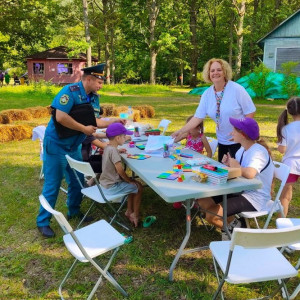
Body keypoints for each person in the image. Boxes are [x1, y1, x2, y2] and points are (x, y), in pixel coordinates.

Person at [37, 63, 124, 238]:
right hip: (56, 144)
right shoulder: (70, 91)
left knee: (77, 182)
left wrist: (114, 121)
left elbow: (95, 120)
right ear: (89, 79)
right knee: (53, 184)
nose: (101, 85)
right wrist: (83, 129)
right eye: (99, 81)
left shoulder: (94, 97)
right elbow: (60, 117)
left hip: (74, 145)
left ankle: (74, 212)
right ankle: (43, 222)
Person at [197, 118, 274, 239]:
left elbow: (249, 173)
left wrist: (236, 166)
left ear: (243, 134)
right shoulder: (242, 149)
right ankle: (236, 225)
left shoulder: (258, 151)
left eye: (234, 130)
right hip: (239, 190)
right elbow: (238, 171)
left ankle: (239, 234)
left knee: (211, 216)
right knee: (202, 200)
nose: (231, 133)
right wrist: (228, 164)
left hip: (255, 197)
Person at [172, 58, 256, 162]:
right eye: (212, 71)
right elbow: (198, 117)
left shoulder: (237, 89)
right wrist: (180, 131)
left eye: (219, 70)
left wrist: (242, 132)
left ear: (225, 72)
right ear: (208, 74)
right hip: (222, 140)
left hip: (239, 141)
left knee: (237, 173)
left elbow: (250, 111)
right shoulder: (207, 94)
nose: (215, 73)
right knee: (224, 172)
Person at [100, 123, 143, 227]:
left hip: (104, 183)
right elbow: (120, 170)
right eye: (124, 137)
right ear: (118, 138)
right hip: (112, 187)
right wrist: (128, 180)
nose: (125, 139)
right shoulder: (113, 151)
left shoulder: (108, 147)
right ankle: (135, 215)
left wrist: (118, 151)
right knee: (138, 186)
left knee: (132, 184)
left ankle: (129, 211)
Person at [277, 97, 300, 216]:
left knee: (285, 196)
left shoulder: (285, 129)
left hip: (290, 166)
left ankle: (281, 223)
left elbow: (282, 150)